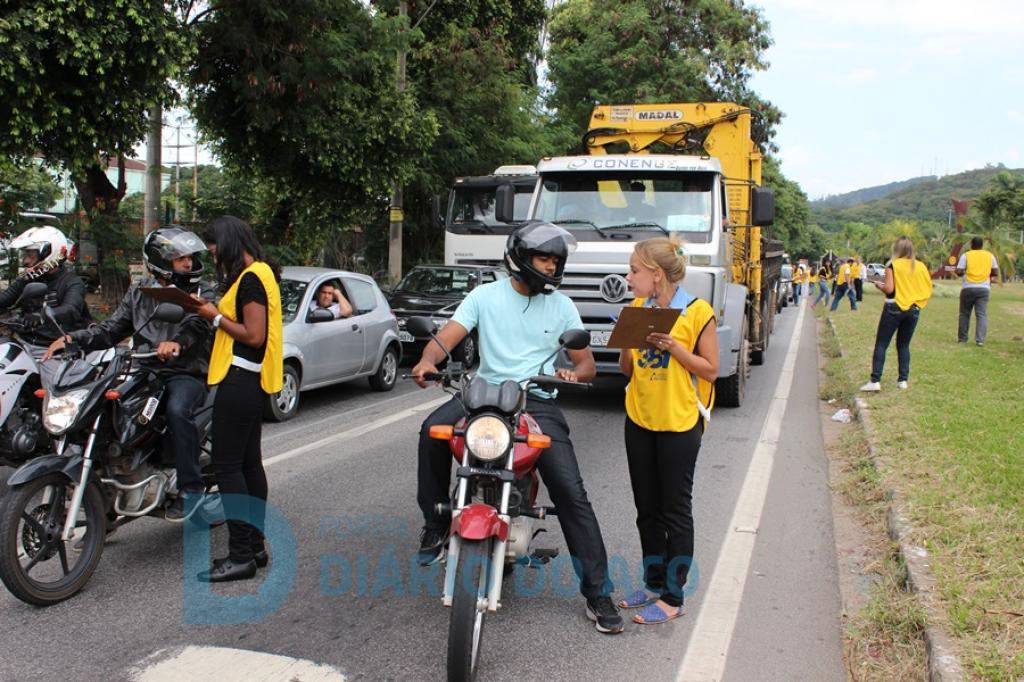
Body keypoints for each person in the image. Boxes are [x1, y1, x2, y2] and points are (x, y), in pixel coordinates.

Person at [412, 221, 624, 634]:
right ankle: (436, 520)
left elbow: (586, 364)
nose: (551, 266)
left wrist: (573, 375)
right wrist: (427, 361)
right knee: (431, 432)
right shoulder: (484, 296)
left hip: (537, 401)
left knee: (571, 491)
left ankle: (598, 592)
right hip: (483, 395)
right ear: (521, 258)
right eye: (545, 258)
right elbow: (446, 338)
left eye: (556, 260)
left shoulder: (562, 306)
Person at [44, 227, 216, 520]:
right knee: (103, 410)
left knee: (177, 409)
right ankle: (105, 500)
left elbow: (197, 326)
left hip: (185, 371)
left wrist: (177, 343)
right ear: (160, 261)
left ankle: (191, 488)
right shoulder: (139, 292)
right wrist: (74, 339)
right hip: (144, 368)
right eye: (180, 259)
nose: (188, 264)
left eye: (189, 257)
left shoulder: (203, 291)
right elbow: (111, 329)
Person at [616, 238, 718, 625]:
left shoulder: (697, 311)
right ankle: (653, 583)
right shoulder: (636, 308)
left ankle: (674, 596)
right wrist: (628, 343)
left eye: (634, 271)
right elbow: (628, 370)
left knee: (675, 510)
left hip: (680, 422)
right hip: (639, 419)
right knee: (647, 510)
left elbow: (710, 369)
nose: (628, 278)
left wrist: (674, 347)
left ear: (656, 275)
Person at [191, 216, 283, 582]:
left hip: (240, 379)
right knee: (247, 466)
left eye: (214, 249)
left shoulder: (251, 280)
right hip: (251, 381)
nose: (214, 257)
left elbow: (254, 334)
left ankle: (240, 556)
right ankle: (255, 547)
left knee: (228, 467)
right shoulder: (260, 273)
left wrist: (214, 317)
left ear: (227, 243)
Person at [0, 225, 90, 352]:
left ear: (50, 254)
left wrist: (43, 315)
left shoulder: (73, 283)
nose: (25, 261)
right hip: (24, 343)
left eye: (31, 256)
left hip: (54, 349)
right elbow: (5, 299)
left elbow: (71, 309)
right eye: (26, 255)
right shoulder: (29, 278)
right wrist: (23, 280)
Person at [860, 237, 932, 392]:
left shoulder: (893, 265)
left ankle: (875, 380)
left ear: (897, 249)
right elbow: (927, 287)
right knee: (904, 345)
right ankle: (903, 380)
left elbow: (890, 289)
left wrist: (880, 286)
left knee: (881, 344)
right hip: (913, 309)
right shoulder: (920, 266)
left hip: (894, 307)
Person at [956, 237, 999, 346]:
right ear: (982, 245)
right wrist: (988, 276)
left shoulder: (966, 255)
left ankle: (963, 339)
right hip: (984, 288)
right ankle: (980, 340)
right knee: (981, 315)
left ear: (971, 245)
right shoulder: (990, 256)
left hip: (968, 287)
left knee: (964, 314)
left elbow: (959, 271)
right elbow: (995, 271)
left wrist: (963, 273)